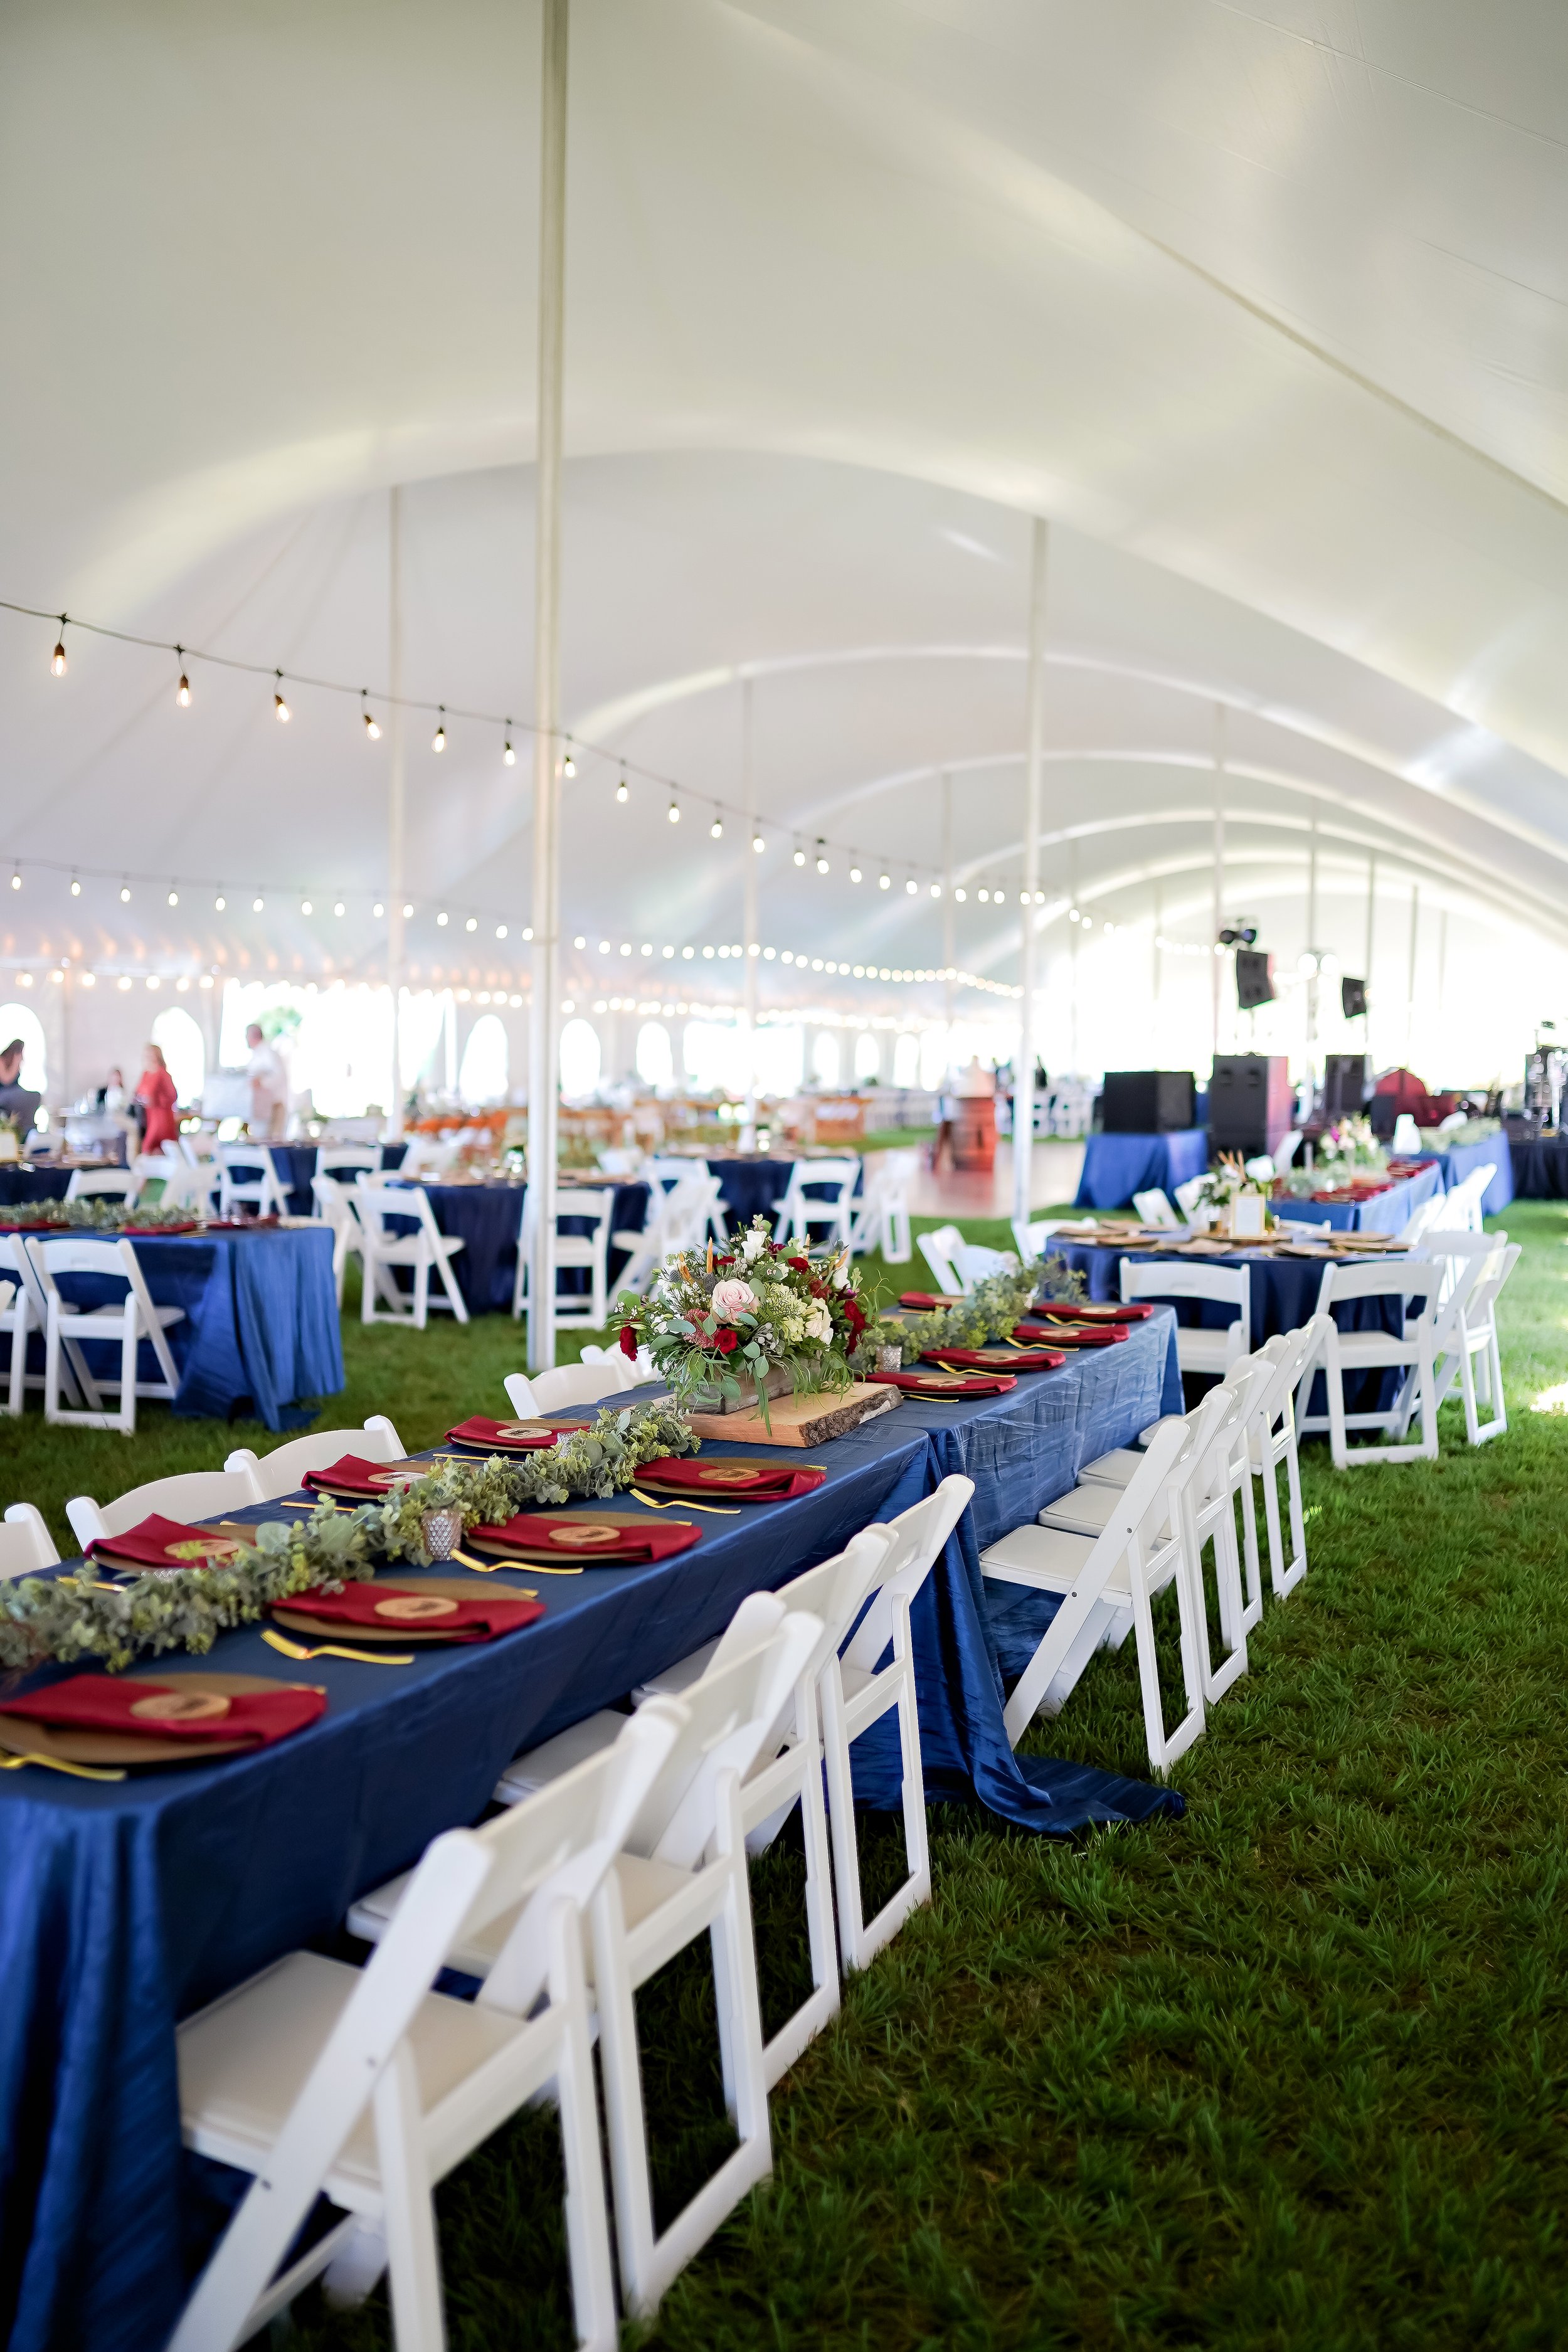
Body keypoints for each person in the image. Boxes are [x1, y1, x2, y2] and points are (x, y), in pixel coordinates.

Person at [135, 1042, 179, 1156]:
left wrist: (156, 1101)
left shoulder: (163, 1074)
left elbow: (172, 1096)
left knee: (156, 1146)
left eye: (151, 1055)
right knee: (151, 1148)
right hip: (150, 1116)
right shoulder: (146, 1074)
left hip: (162, 1116)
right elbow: (138, 1092)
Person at [245, 1022, 287, 1138]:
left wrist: (262, 1082)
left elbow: (279, 1076)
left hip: (273, 1105)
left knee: (271, 1140)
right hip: (261, 1108)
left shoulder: (268, 1052)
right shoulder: (257, 1055)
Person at [0, 1039, 42, 1134]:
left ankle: (28, 1128)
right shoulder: (2, 1060)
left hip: (14, 1091)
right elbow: (7, 1081)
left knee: (34, 1096)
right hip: (3, 1092)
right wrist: (16, 1061)